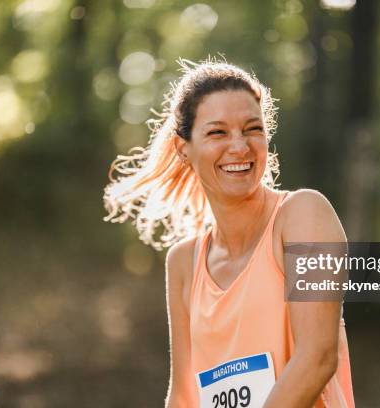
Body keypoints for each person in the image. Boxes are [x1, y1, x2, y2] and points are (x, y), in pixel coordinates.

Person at [104, 58, 354, 408]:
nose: (239, 146)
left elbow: (317, 357)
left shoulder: (303, 215)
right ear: (183, 148)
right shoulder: (183, 263)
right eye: (217, 132)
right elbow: (183, 396)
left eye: (252, 129)